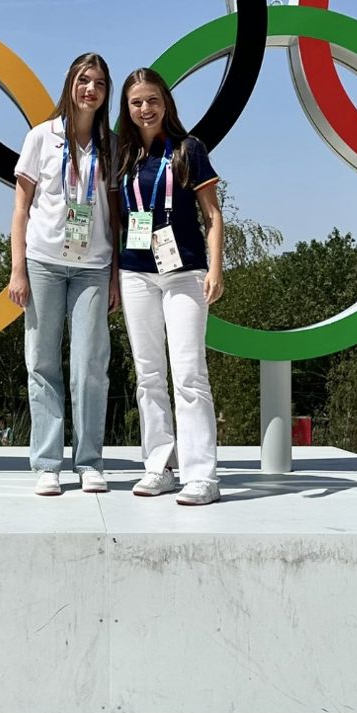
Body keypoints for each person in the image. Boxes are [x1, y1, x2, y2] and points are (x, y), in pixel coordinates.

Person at [10, 52, 120, 496]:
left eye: (98, 83)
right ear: (70, 85)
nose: (90, 89)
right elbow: (21, 208)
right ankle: (47, 463)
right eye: (83, 80)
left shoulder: (111, 145)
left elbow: (115, 217)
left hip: (94, 268)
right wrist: (18, 269)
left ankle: (89, 461)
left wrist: (114, 276)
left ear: (106, 92)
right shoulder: (41, 137)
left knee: (91, 366)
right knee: (42, 362)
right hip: (43, 264)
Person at [116, 68, 224, 506]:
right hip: (136, 273)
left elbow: (212, 216)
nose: (146, 109)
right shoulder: (122, 155)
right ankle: (158, 466)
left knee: (189, 373)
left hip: (185, 273)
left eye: (152, 100)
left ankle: (202, 477)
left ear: (166, 102)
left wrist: (216, 268)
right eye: (137, 102)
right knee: (148, 375)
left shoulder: (188, 149)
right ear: (127, 109)